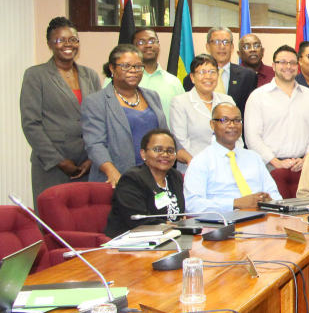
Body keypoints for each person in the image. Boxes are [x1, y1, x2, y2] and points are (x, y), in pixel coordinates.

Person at [20, 17, 102, 203]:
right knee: (53, 222)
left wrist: (92, 158)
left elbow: (98, 119)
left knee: (84, 221)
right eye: (60, 40)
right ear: (49, 43)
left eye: (73, 40)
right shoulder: (36, 75)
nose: (68, 44)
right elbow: (31, 124)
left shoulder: (90, 75)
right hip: (52, 165)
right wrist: (59, 161)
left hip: (86, 164)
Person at [82, 44, 167, 186]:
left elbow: (164, 135)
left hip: (153, 177)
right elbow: (95, 144)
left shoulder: (152, 96)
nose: (133, 71)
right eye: (126, 66)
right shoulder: (96, 101)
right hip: (116, 179)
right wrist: (111, 171)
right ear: (112, 68)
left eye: (138, 66)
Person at [184, 102, 280, 213]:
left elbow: (275, 195)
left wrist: (270, 201)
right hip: (224, 225)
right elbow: (192, 205)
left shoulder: (254, 158)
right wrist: (234, 203)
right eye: (225, 120)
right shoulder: (201, 161)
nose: (232, 125)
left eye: (237, 120)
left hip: (262, 220)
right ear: (212, 124)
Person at [244, 45, 309, 172]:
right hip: (268, 167)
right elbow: (252, 137)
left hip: (305, 166)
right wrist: (275, 162)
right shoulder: (257, 97)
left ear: (297, 66)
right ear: (273, 66)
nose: (288, 66)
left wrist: (307, 159)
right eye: (282, 62)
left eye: (292, 63)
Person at [105, 129, 184, 237]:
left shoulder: (175, 176)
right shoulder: (132, 179)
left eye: (170, 151)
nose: (165, 154)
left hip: (171, 236)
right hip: (135, 241)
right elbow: (137, 219)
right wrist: (169, 225)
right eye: (158, 149)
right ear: (143, 154)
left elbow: (180, 215)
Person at [169, 54, 234, 167]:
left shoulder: (227, 101)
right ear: (192, 78)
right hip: (194, 166)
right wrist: (204, 163)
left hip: (228, 165)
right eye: (202, 72)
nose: (208, 76)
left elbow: (236, 135)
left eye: (212, 72)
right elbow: (180, 142)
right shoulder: (180, 102)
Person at [183, 28, 258, 115]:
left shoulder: (248, 76)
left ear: (232, 47)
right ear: (207, 46)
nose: (222, 46)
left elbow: (250, 112)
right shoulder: (192, 79)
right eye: (216, 42)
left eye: (226, 42)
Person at [128, 27, 185, 124]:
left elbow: (183, 116)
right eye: (141, 42)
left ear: (158, 45)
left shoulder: (174, 82)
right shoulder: (121, 79)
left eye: (152, 41)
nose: (148, 46)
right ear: (132, 48)